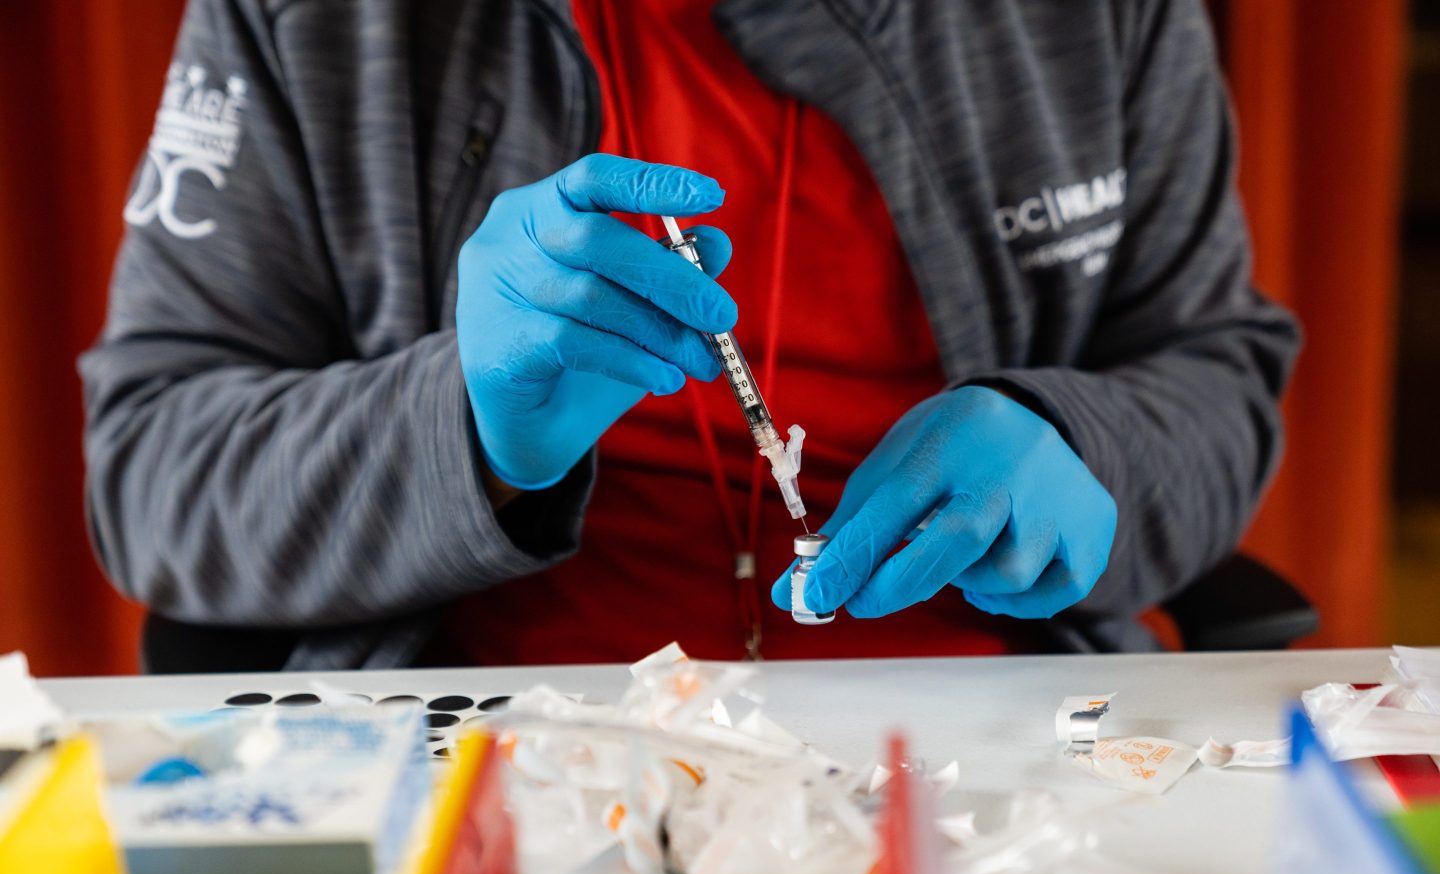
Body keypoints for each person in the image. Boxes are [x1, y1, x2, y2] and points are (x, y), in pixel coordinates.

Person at [81, 0, 1297, 672]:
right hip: (497, 774)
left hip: (997, 770)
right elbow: (151, 473)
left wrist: (1076, 444)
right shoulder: (319, 28)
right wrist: (463, 427)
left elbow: (1214, 379)